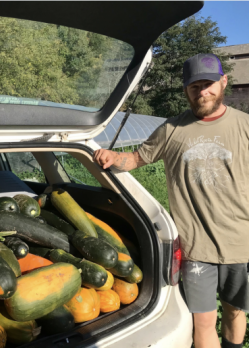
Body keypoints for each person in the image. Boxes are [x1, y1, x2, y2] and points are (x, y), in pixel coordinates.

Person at [94, 53, 249, 348]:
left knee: (234, 311)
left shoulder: (245, 126)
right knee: (203, 322)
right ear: (185, 90)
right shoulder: (171, 130)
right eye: (195, 86)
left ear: (223, 82)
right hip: (195, 247)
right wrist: (114, 157)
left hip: (241, 243)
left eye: (209, 84)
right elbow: (137, 159)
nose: (203, 92)